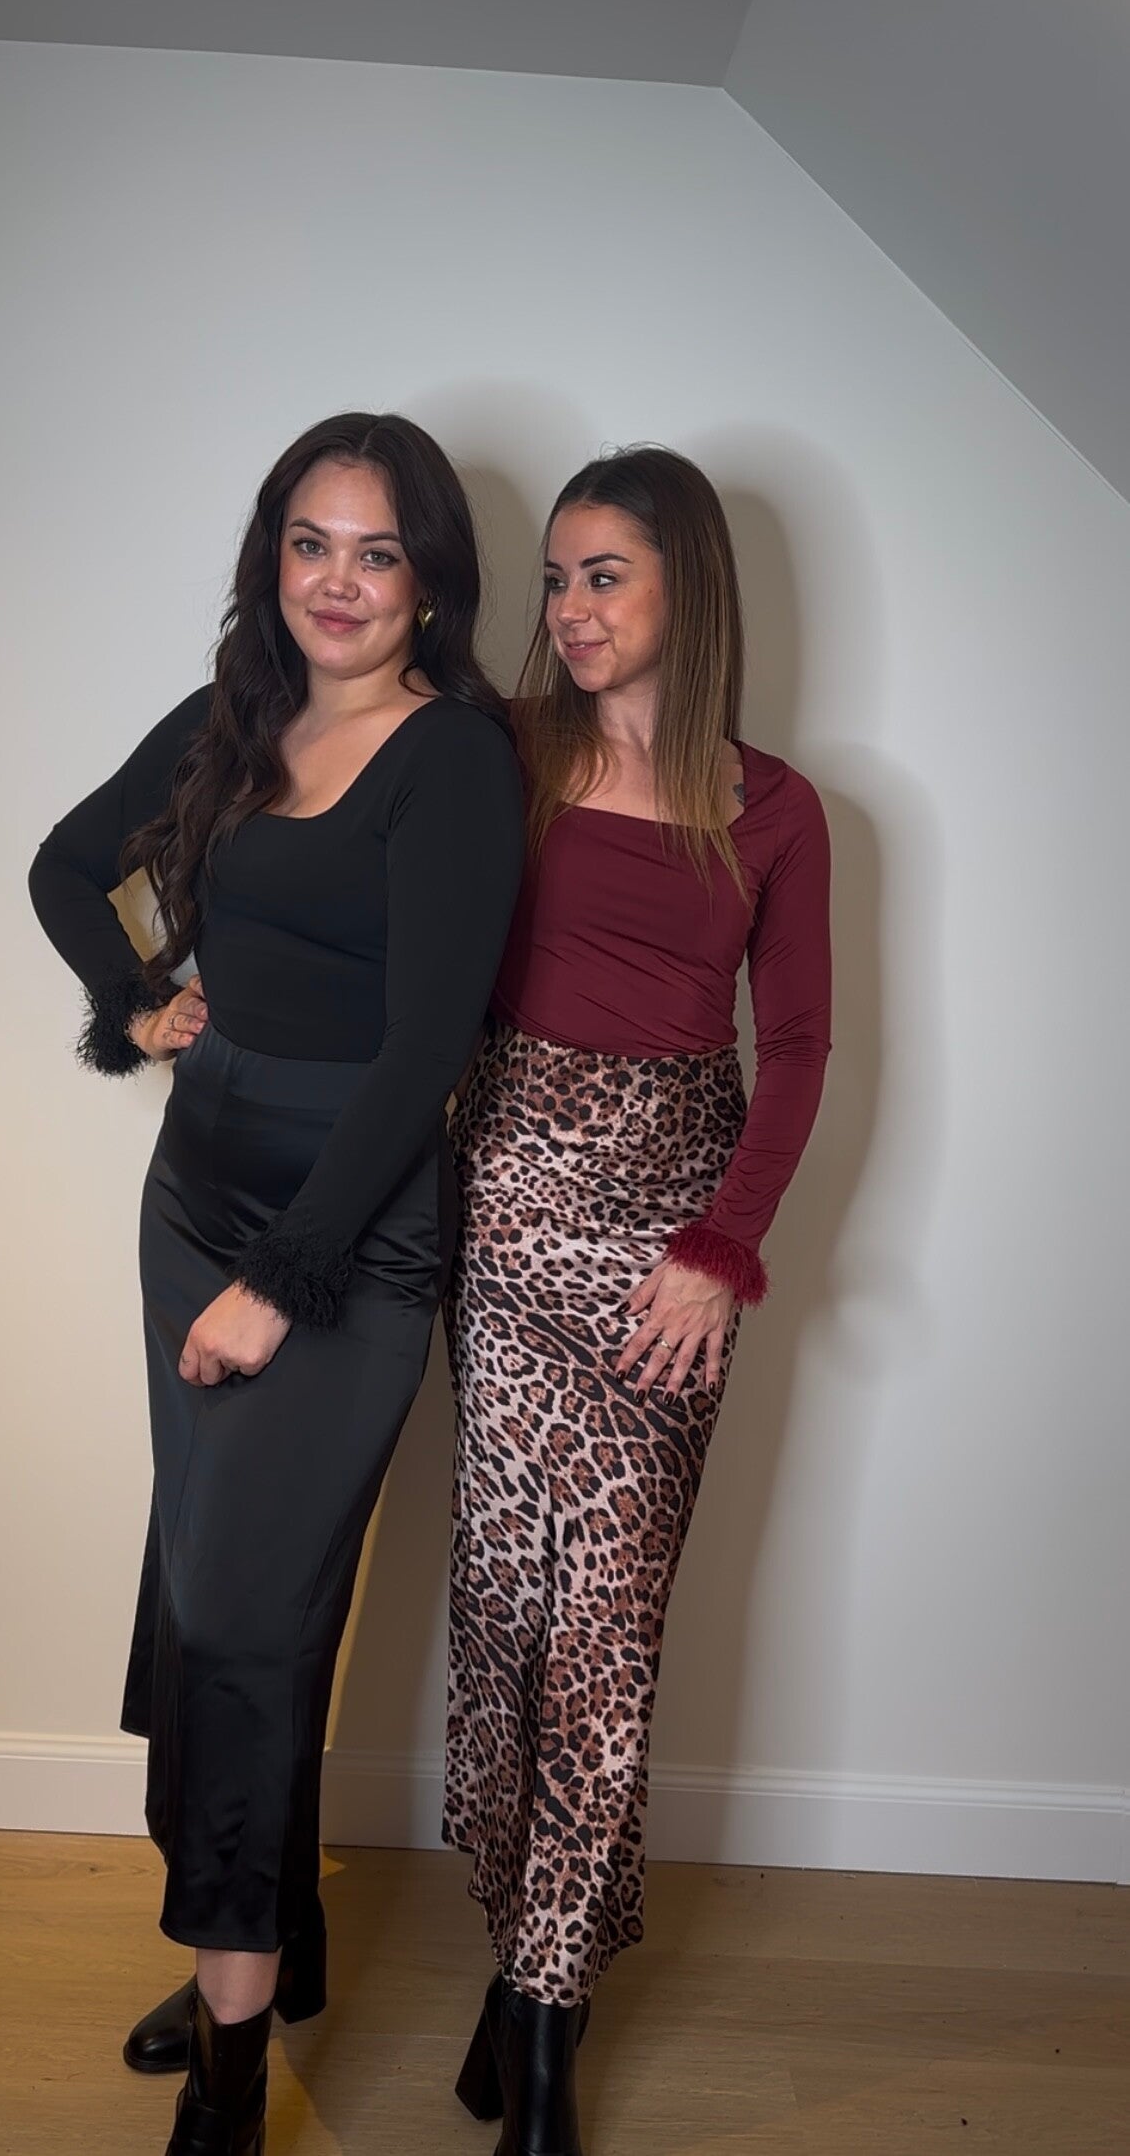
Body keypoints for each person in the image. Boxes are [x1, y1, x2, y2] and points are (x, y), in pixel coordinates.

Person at [28, 412, 524, 2156]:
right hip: (195, 1192)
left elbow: (426, 1053)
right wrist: (136, 1000)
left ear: (429, 580)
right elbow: (66, 863)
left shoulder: (455, 760)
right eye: (311, 542)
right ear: (273, 556)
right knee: (203, 1596)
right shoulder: (234, 713)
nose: (338, 581)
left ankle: (233, 2084)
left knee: (244, 1617)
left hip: (349, 1222)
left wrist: (281, 1280)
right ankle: (260, 1939)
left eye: (377, 552)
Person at [442, 447, 831, 2156]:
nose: (570, 608)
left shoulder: (777, 806)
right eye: (556, 577)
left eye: (604, 574)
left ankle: (544, 2036)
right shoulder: (500, 753)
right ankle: (513, 1966)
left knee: (608, 1636)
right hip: (505, 1211)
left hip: (670, 1248)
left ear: (689, 585)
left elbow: (796, 1044)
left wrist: (721, 1248)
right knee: (506, 1617)